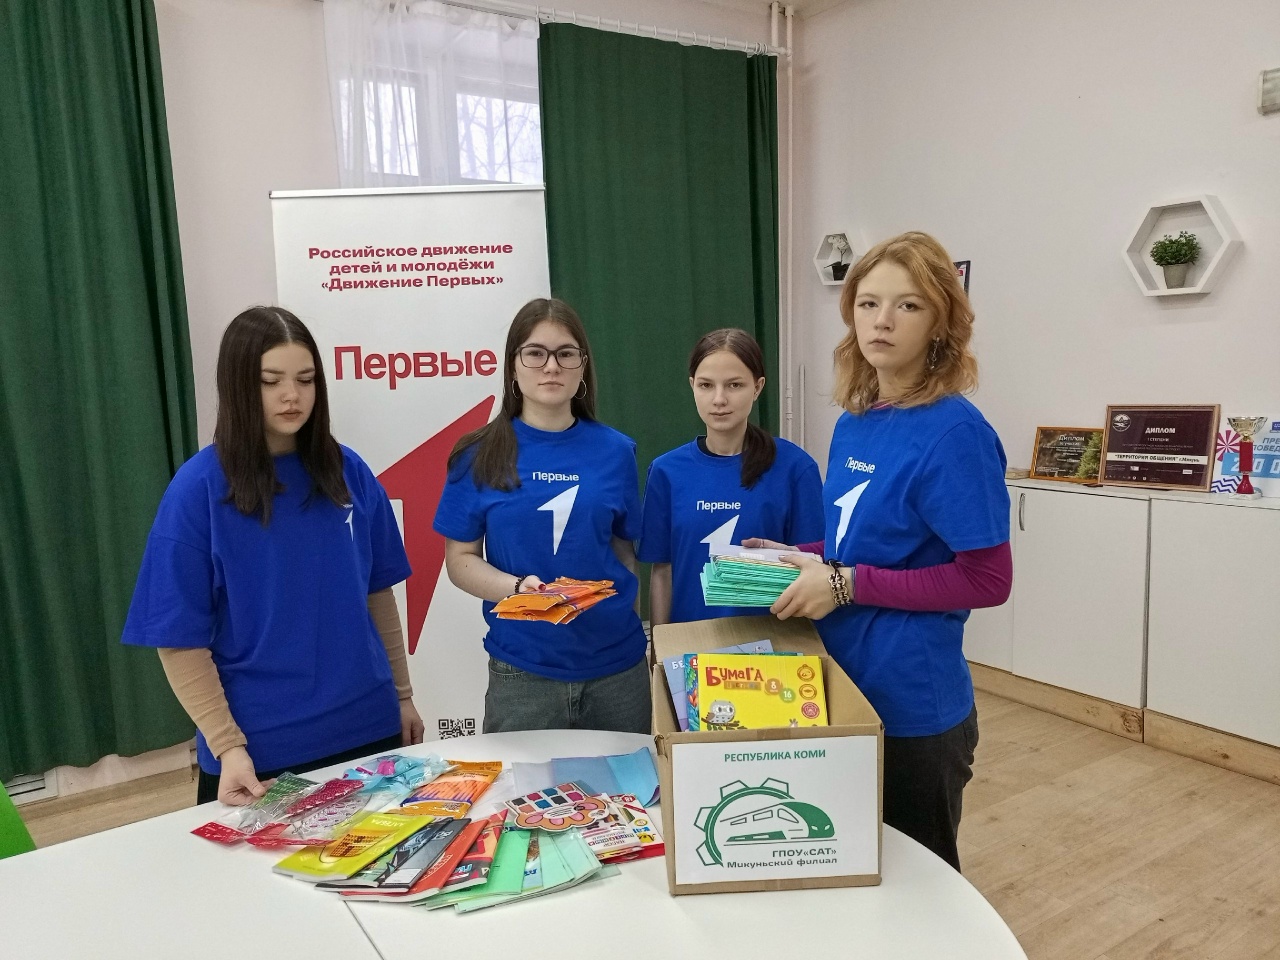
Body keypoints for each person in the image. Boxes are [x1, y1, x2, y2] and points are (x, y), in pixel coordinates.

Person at [747, 232, 1012, 870]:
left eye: (907, 305)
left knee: (919, 886)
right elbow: (860, 542)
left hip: (914, 710)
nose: (882, 321)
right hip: (841, 686)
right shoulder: (856, 420)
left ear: (941, 322)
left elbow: (987, 579)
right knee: (849, 868)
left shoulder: (956, 434)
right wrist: (798, 553)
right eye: (868, 304)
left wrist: (844, 584)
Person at [123, 306, 422, 806]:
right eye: (271, 381)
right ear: (239, 385)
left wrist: (403, 696)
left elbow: (378, 593)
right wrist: (227, 745)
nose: (292, 395)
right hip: (258, 751)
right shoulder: (197, 491)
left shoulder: (348, 470)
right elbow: (178, 641)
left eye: (306, 379)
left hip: (369, 727)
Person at [433, 298, 648, 734]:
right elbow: (459, 561)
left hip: (618, 673)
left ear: (583, 366)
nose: (551, 366)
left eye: (565, 353)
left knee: (631, 781)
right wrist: (517, 589)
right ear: (513, 366)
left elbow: (625, 554)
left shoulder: (617, 451)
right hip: (522, 673)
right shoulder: (476, 454)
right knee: (523, 783)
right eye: (535, 353)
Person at [639, 328, 824, 625]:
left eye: (734, 385)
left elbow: (812, 568)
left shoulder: (795, 468)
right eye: (706, 385)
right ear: (692, 386)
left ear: (757, 387)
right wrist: (659, 645)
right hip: (690, 644)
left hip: (774, 645)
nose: (719, 399)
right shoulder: (666, 471)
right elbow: (663, 570)